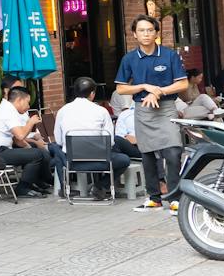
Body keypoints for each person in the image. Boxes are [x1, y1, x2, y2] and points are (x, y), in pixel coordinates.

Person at [115, 14, 189, 212]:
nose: (146, 34)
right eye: (141, 30)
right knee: (147, 154)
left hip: (166, 109)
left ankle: (174, 197)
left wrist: (159, 91)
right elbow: (121, 88)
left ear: (156, 33)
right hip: (143, 110)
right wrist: (144, 87)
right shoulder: (129, 59)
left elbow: (183, 83)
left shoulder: (169, 55)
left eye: (150, 30)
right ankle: (154, 197)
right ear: (134, 34)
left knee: (173, 152)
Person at [51, 77, 129, 200]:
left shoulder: (62, 111)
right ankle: (100, 186)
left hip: (72, 163)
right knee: (124, 160)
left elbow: (59, 140)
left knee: (56, 148)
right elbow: (110, 142)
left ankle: (65, 187)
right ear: (92, 94)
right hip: (101, 163)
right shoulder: (101, 111)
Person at [0, 87, 53, 198]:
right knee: (36, 155)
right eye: (27, 102)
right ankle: (23, 188)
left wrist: (29, 147)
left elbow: (17, 139)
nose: (28, 107)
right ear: (19, 100)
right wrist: (31, 122)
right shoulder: (8, 112)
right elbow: (20, 135)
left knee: (35, 151)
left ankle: (32, 183)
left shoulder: (5, 109)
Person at [112, 97, 141, 161]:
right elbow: (120, 136)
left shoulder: (158, 112)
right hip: (131, 146)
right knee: (115, 139)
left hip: (149, 147)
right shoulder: (125, 114)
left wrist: (138, 141)